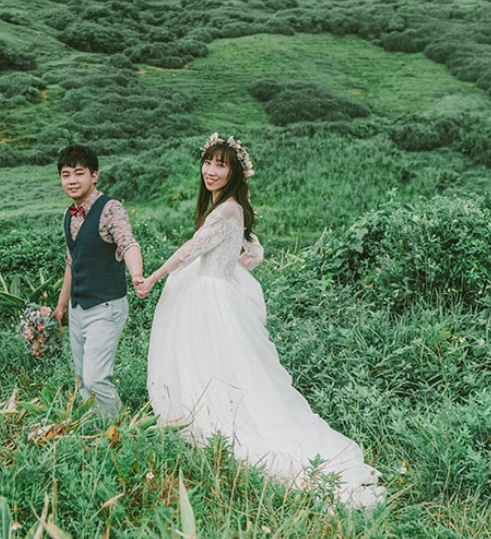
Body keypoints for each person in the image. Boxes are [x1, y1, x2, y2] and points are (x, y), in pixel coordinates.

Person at [135, 134, 383, 507]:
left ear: (234, 172)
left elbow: (190, 250)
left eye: (221, 164)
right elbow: (255, 249)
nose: (211, 171)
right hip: (214, 292)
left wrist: (153, 278)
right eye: (208, 162)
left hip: (209, 296)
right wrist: (231, 266)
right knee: (213, 365)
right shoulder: (232, 208)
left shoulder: (226, 210)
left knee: (217, 368)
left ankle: (211, 424)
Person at [53, 144, 143, 421]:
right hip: (79, 309)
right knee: (82, 380)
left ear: (94, 176)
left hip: (106, 306)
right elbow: (72, 260)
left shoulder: (110, 208)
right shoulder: (69, 214)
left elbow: (127, 242)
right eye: (66, 174)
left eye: (79, 173)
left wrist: (137, 275)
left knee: (95, 378)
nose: (72, 180)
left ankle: (120, 429)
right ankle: (94, 430)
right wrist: (61, 306)